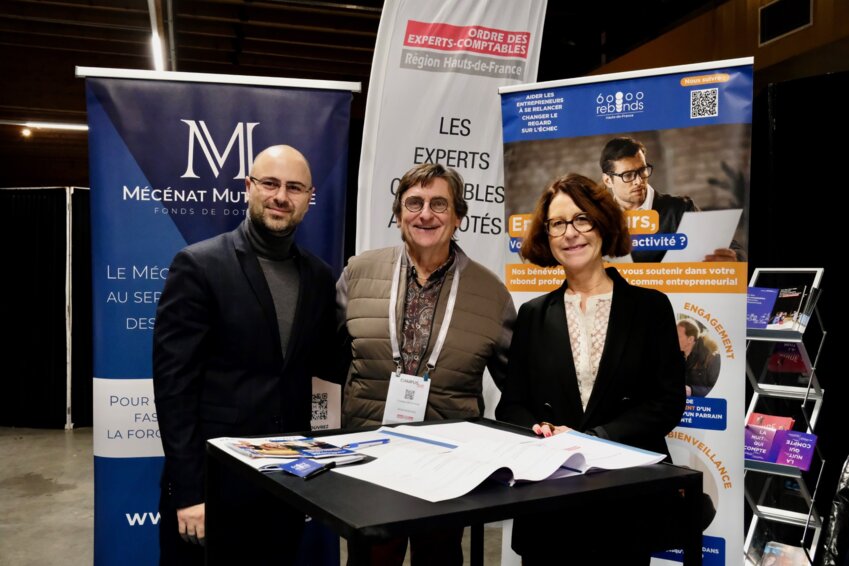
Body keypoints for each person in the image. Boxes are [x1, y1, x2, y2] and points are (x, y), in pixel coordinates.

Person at [152, 145, 336, 565]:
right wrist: (189, 493)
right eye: (270, 183)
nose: (281, 196)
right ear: (249, 187)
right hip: (213, 491)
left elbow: (324, 369)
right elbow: (174, 390)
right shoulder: (199, 265)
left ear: (309, 198)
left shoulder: (320, 277)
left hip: (285, 488)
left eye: (294, 188)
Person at [496, 173, 686, 564]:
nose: (570, 233)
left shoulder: (650, 308)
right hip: (550, 503)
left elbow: (667, 403)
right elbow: (511, 405)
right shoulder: (532, 314)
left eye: (582, 219)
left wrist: (592, 440)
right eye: (557, 223)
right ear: (546, 236)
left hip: (624, 501)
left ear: (603, 223)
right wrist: (539, 430)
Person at [336, 162, 515, 565]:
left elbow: (517, 386)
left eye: (439, 204)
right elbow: (327, 361)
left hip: (448, 464)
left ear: (458, 217)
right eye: (414, 203)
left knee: (439, 557)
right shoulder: (357, 274)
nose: (425, 214)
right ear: (399, 214)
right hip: (370, 455)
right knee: (373, 558)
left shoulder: (492, 294)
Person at [600, 136, 745, 263]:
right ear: (608, 180)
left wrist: (734, 257)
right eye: (628, 175)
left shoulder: (680, 209)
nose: (638, 181)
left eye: (642, 170)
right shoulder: (599, 217)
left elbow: (733, 248)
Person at [678, 318, 721, 397]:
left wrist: (692, 391)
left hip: (706, 404)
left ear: (690, 339)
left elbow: (721, 390)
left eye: (678, 336)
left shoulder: (712, 358)